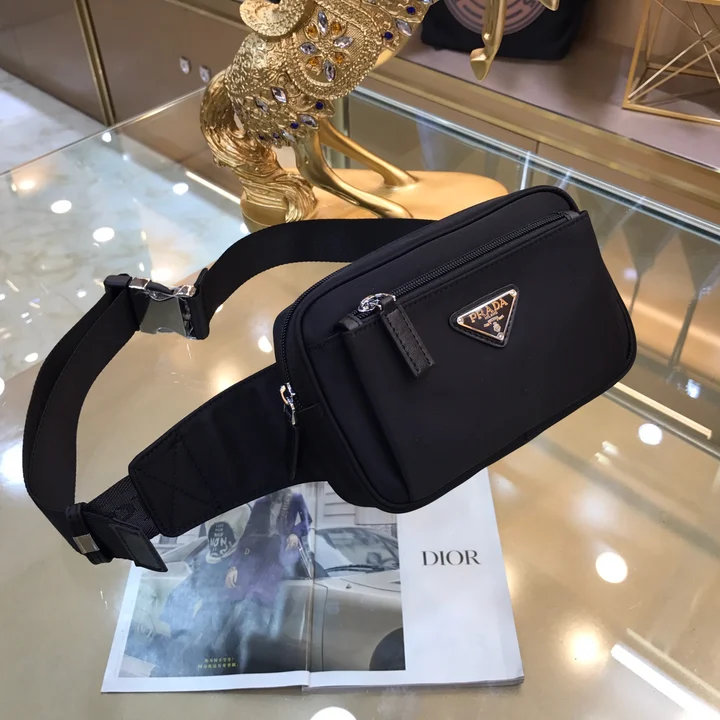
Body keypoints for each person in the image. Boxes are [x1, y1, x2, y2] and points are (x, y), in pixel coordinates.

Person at [223, 488, 312, 672]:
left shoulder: (295, 498)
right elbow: (248, 534)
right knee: (246, 610)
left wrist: (295, 533)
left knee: (260, 608)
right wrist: (233, 566)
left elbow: (306, 521)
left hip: (280, 560)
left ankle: (253, 661)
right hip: (257, 561)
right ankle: (243, 662)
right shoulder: (261, 502)